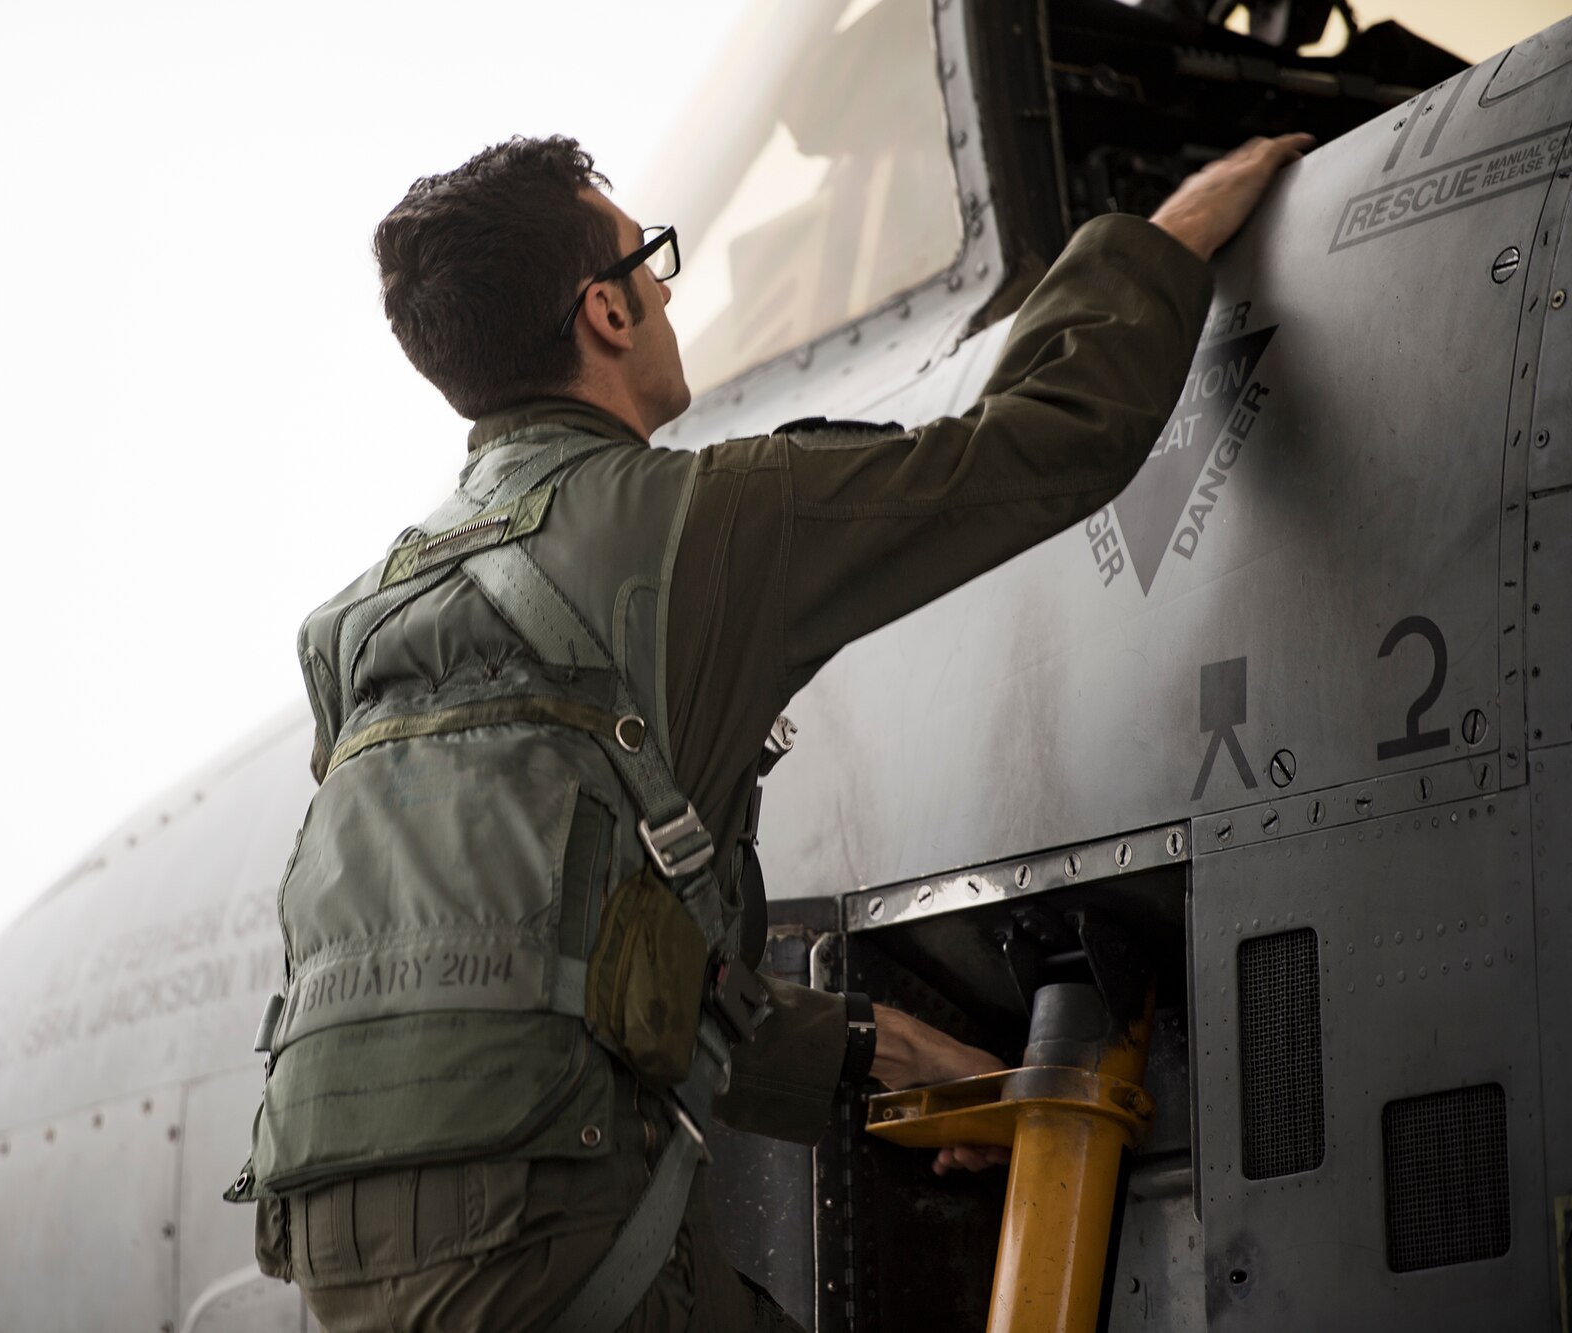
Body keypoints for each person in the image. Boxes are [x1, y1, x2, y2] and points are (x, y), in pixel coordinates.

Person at [237, 130, 1312, 1332]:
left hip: (338, 1259)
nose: (661, 291)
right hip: (559, 1247)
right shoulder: (706, 519)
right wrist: (1158, 243)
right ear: (605, 310)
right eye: (651, 262)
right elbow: (1044, 442)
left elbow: (560, 976)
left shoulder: (352, 625)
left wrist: (881, 1053)